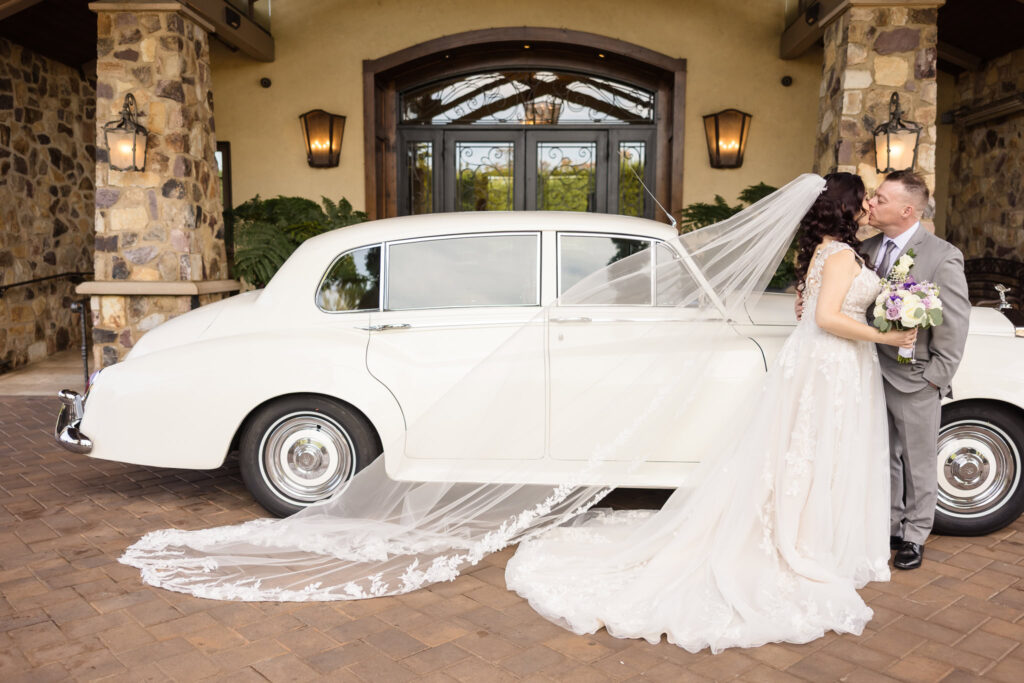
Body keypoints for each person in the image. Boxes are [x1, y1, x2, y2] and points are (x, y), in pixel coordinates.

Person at [504, 172, 917, 652]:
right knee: (812, 450)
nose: (869, 206)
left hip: (819, 364)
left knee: (800, 451)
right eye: (863, 199)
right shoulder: (842, 254)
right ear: (845, 208)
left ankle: (799, 529)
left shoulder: (824, 251)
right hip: (830, 366)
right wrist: (887, 336)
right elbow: (826, 318)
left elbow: (806, 314)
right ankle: (804, 539)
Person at [860, 170, 970, 570]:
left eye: (881, 198)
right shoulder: (866, 248)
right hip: (869, 370)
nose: (872, 202)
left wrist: (935, 378)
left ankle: (916, 533)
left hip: (915, 378)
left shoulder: (941, 255)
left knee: (919, 460)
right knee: (884, 454)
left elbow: (954, 324)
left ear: (907, 210)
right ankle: (891, 523)